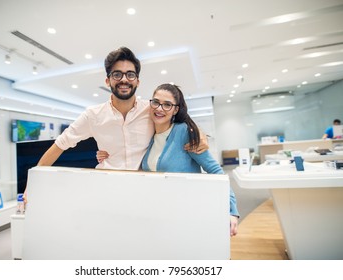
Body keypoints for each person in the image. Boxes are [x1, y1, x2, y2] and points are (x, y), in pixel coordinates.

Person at [24, 47, 208, 199]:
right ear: (108, 80)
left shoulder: (151, 110)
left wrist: (200, 133)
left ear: (137, 81)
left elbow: (177, 118)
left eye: (130, 74)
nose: (124, 80)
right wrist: (31, 185)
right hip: (105, 189)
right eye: (117, 74)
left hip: (145, 191)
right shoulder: (93, 115)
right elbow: (60, 144)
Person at [98, 83, 240, 236]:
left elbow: (215, 170)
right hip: (160, 215)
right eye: (156, 102)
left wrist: (231, 211)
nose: (159, 108)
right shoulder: (147, 136)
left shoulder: (184, 132)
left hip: (188, 214)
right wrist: (107, 155)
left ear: (175, 110)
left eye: (167, 105)